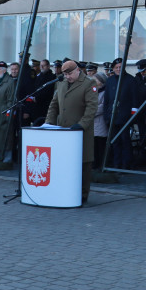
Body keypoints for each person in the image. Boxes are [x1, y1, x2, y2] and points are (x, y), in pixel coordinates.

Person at [45, 59, 99, 203]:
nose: (67, 76)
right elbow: (54, 104)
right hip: (62, 131)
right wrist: (49, 123)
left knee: (83, 163)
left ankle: (82, 194)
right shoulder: (61, 82)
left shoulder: (89, 83)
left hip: (80, 131)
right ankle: (63, 190)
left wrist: (81, 125)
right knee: (63, 162)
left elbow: (92, 108)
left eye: (70, 74)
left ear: (77, 70)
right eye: (65, 74)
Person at [102, 58, 137, 169]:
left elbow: (135, 100)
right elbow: (106, 100)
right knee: (115, 142)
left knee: (125, 141)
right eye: (116, 67)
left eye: (120, 67)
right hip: (112, 117)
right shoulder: (110, 80)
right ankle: (116, 164)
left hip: (125, 117)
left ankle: (126, 165)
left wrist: (132, 116)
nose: (118, 69)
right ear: (113, 68)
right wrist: (106, 115)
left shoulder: (131, 80)